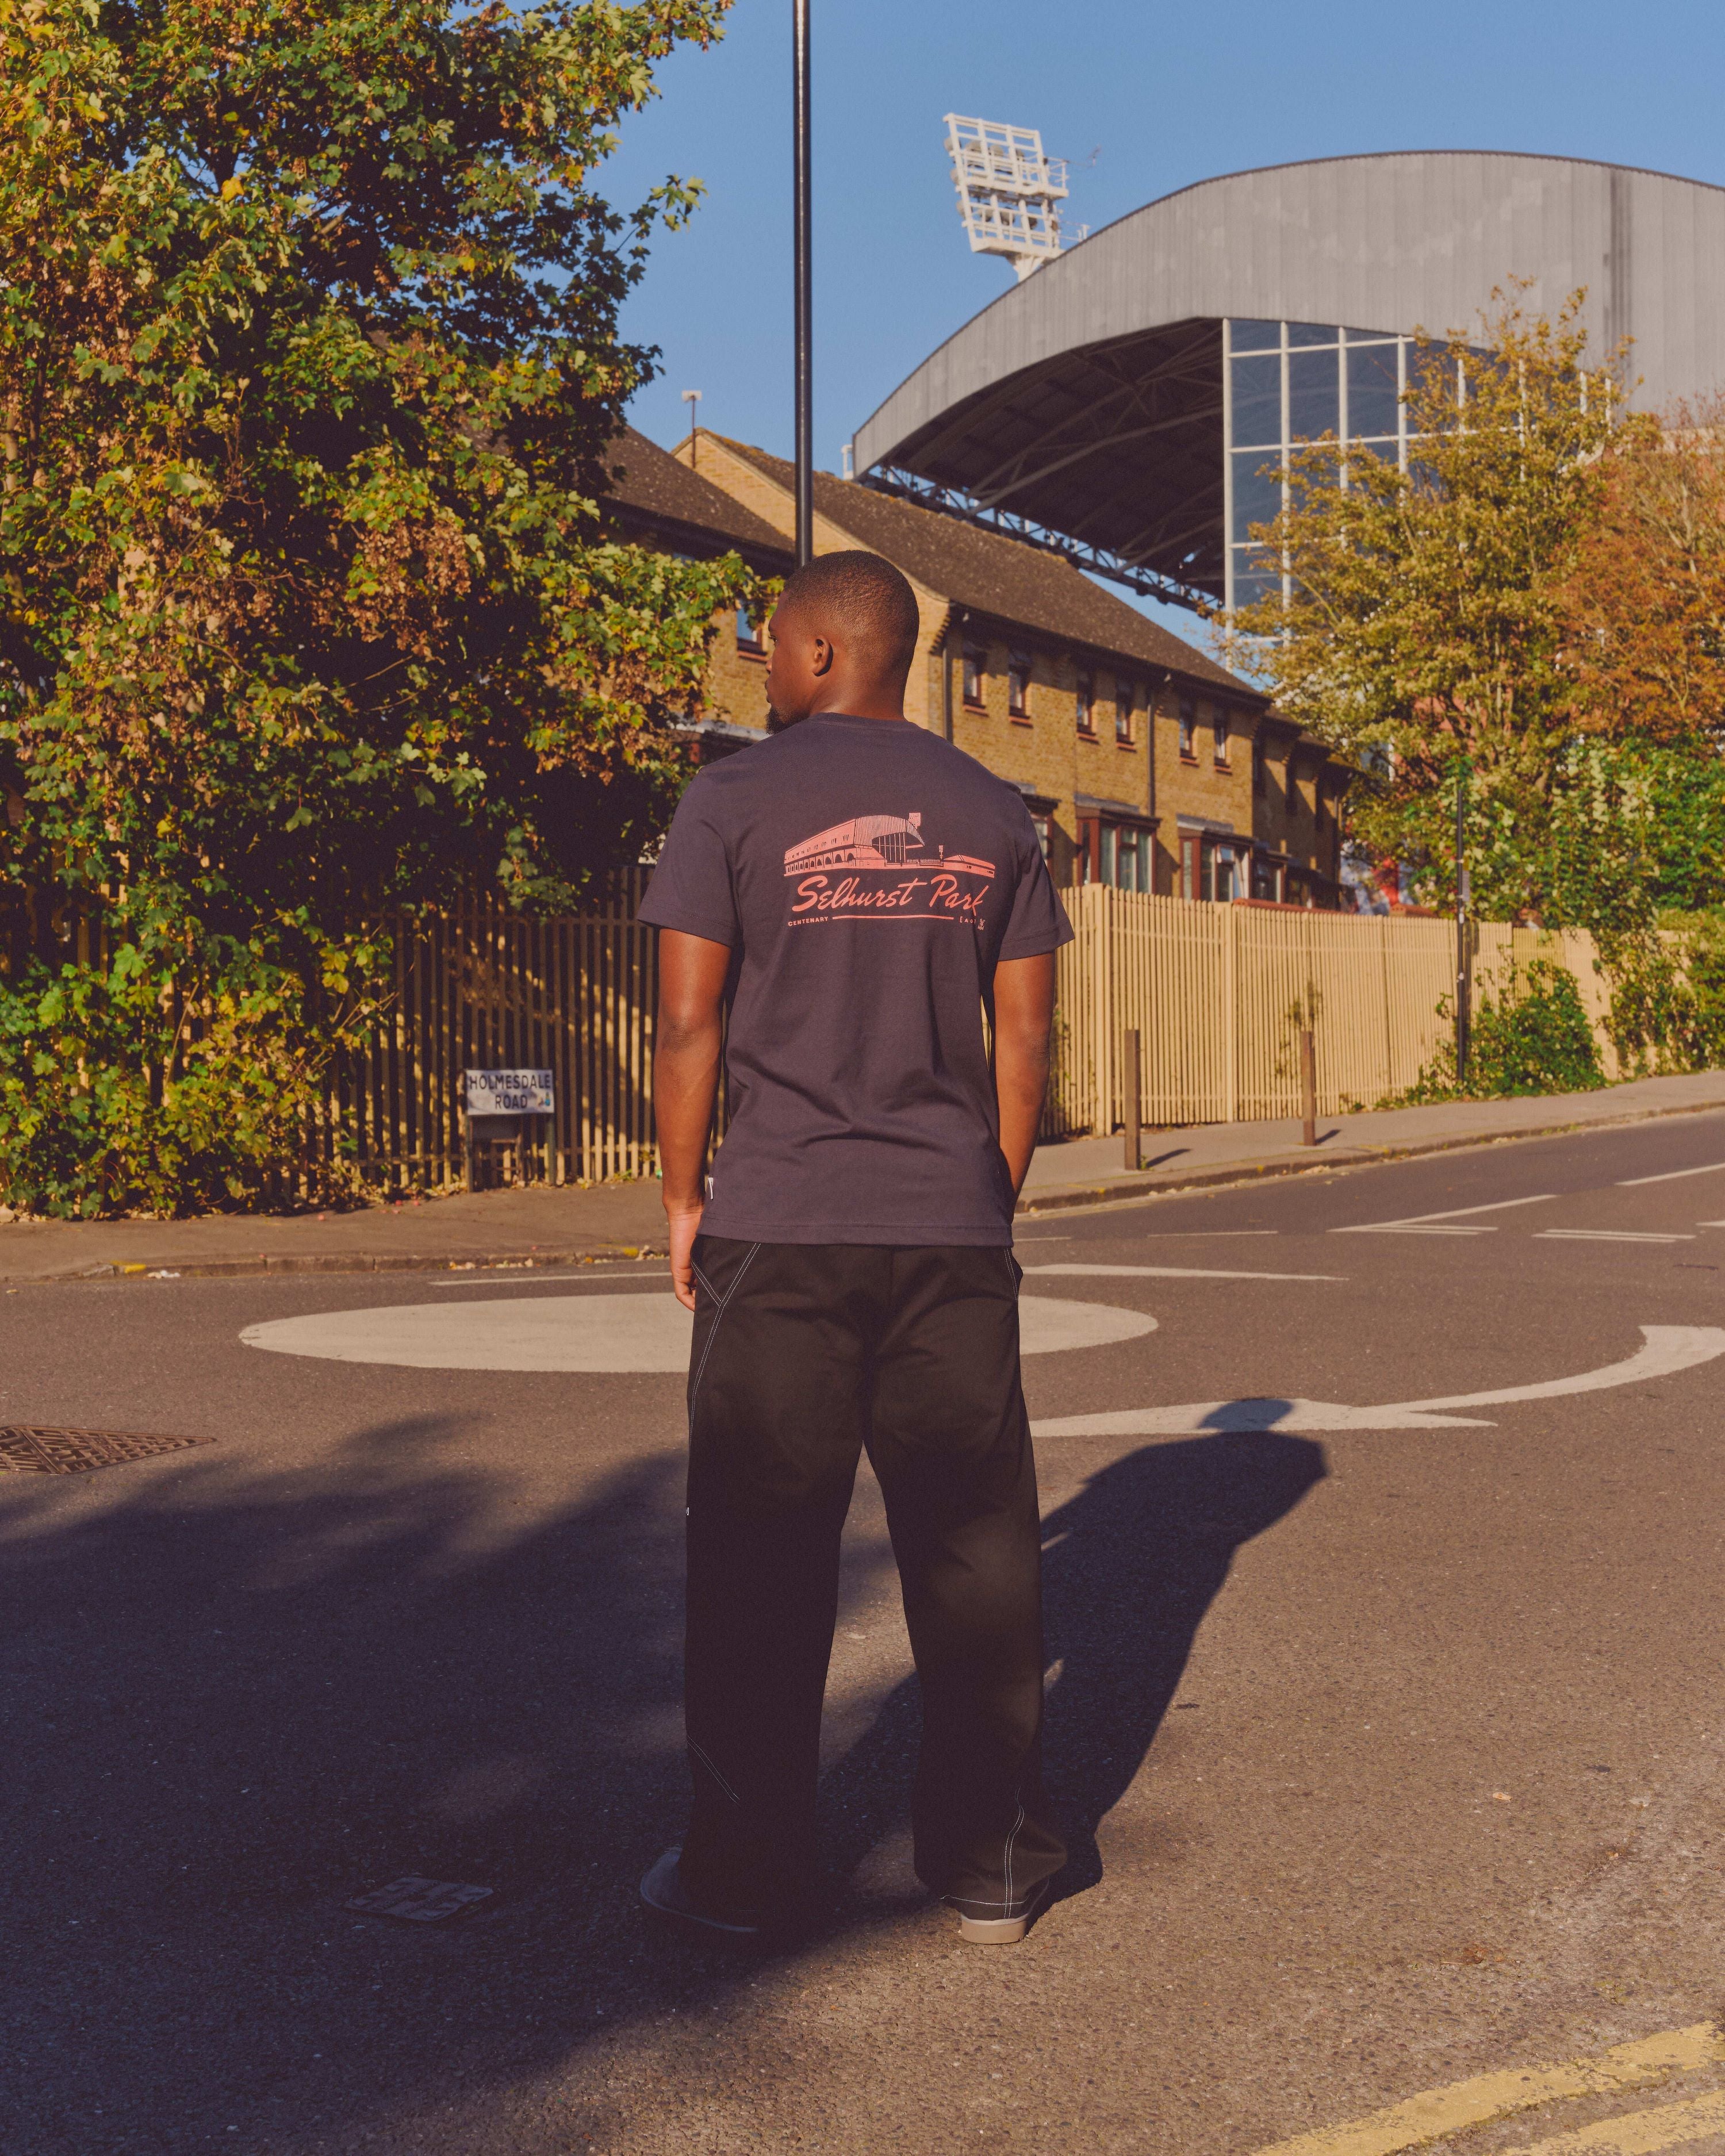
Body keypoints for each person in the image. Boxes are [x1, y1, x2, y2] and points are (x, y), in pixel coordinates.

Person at [635, 550, 1070, 1946]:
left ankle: (746, 1876)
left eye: (768, 644)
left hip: (783, 1226)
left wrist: (683, 1196)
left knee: (761, 1557)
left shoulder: (733, 799)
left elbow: (689, 1022)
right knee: (974, 1548)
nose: (761, 668)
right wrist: (980, 1197)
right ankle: (992, 1862)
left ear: (823, 653)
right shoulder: (997, 809)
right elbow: (1027, 1039)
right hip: (949, 1228)